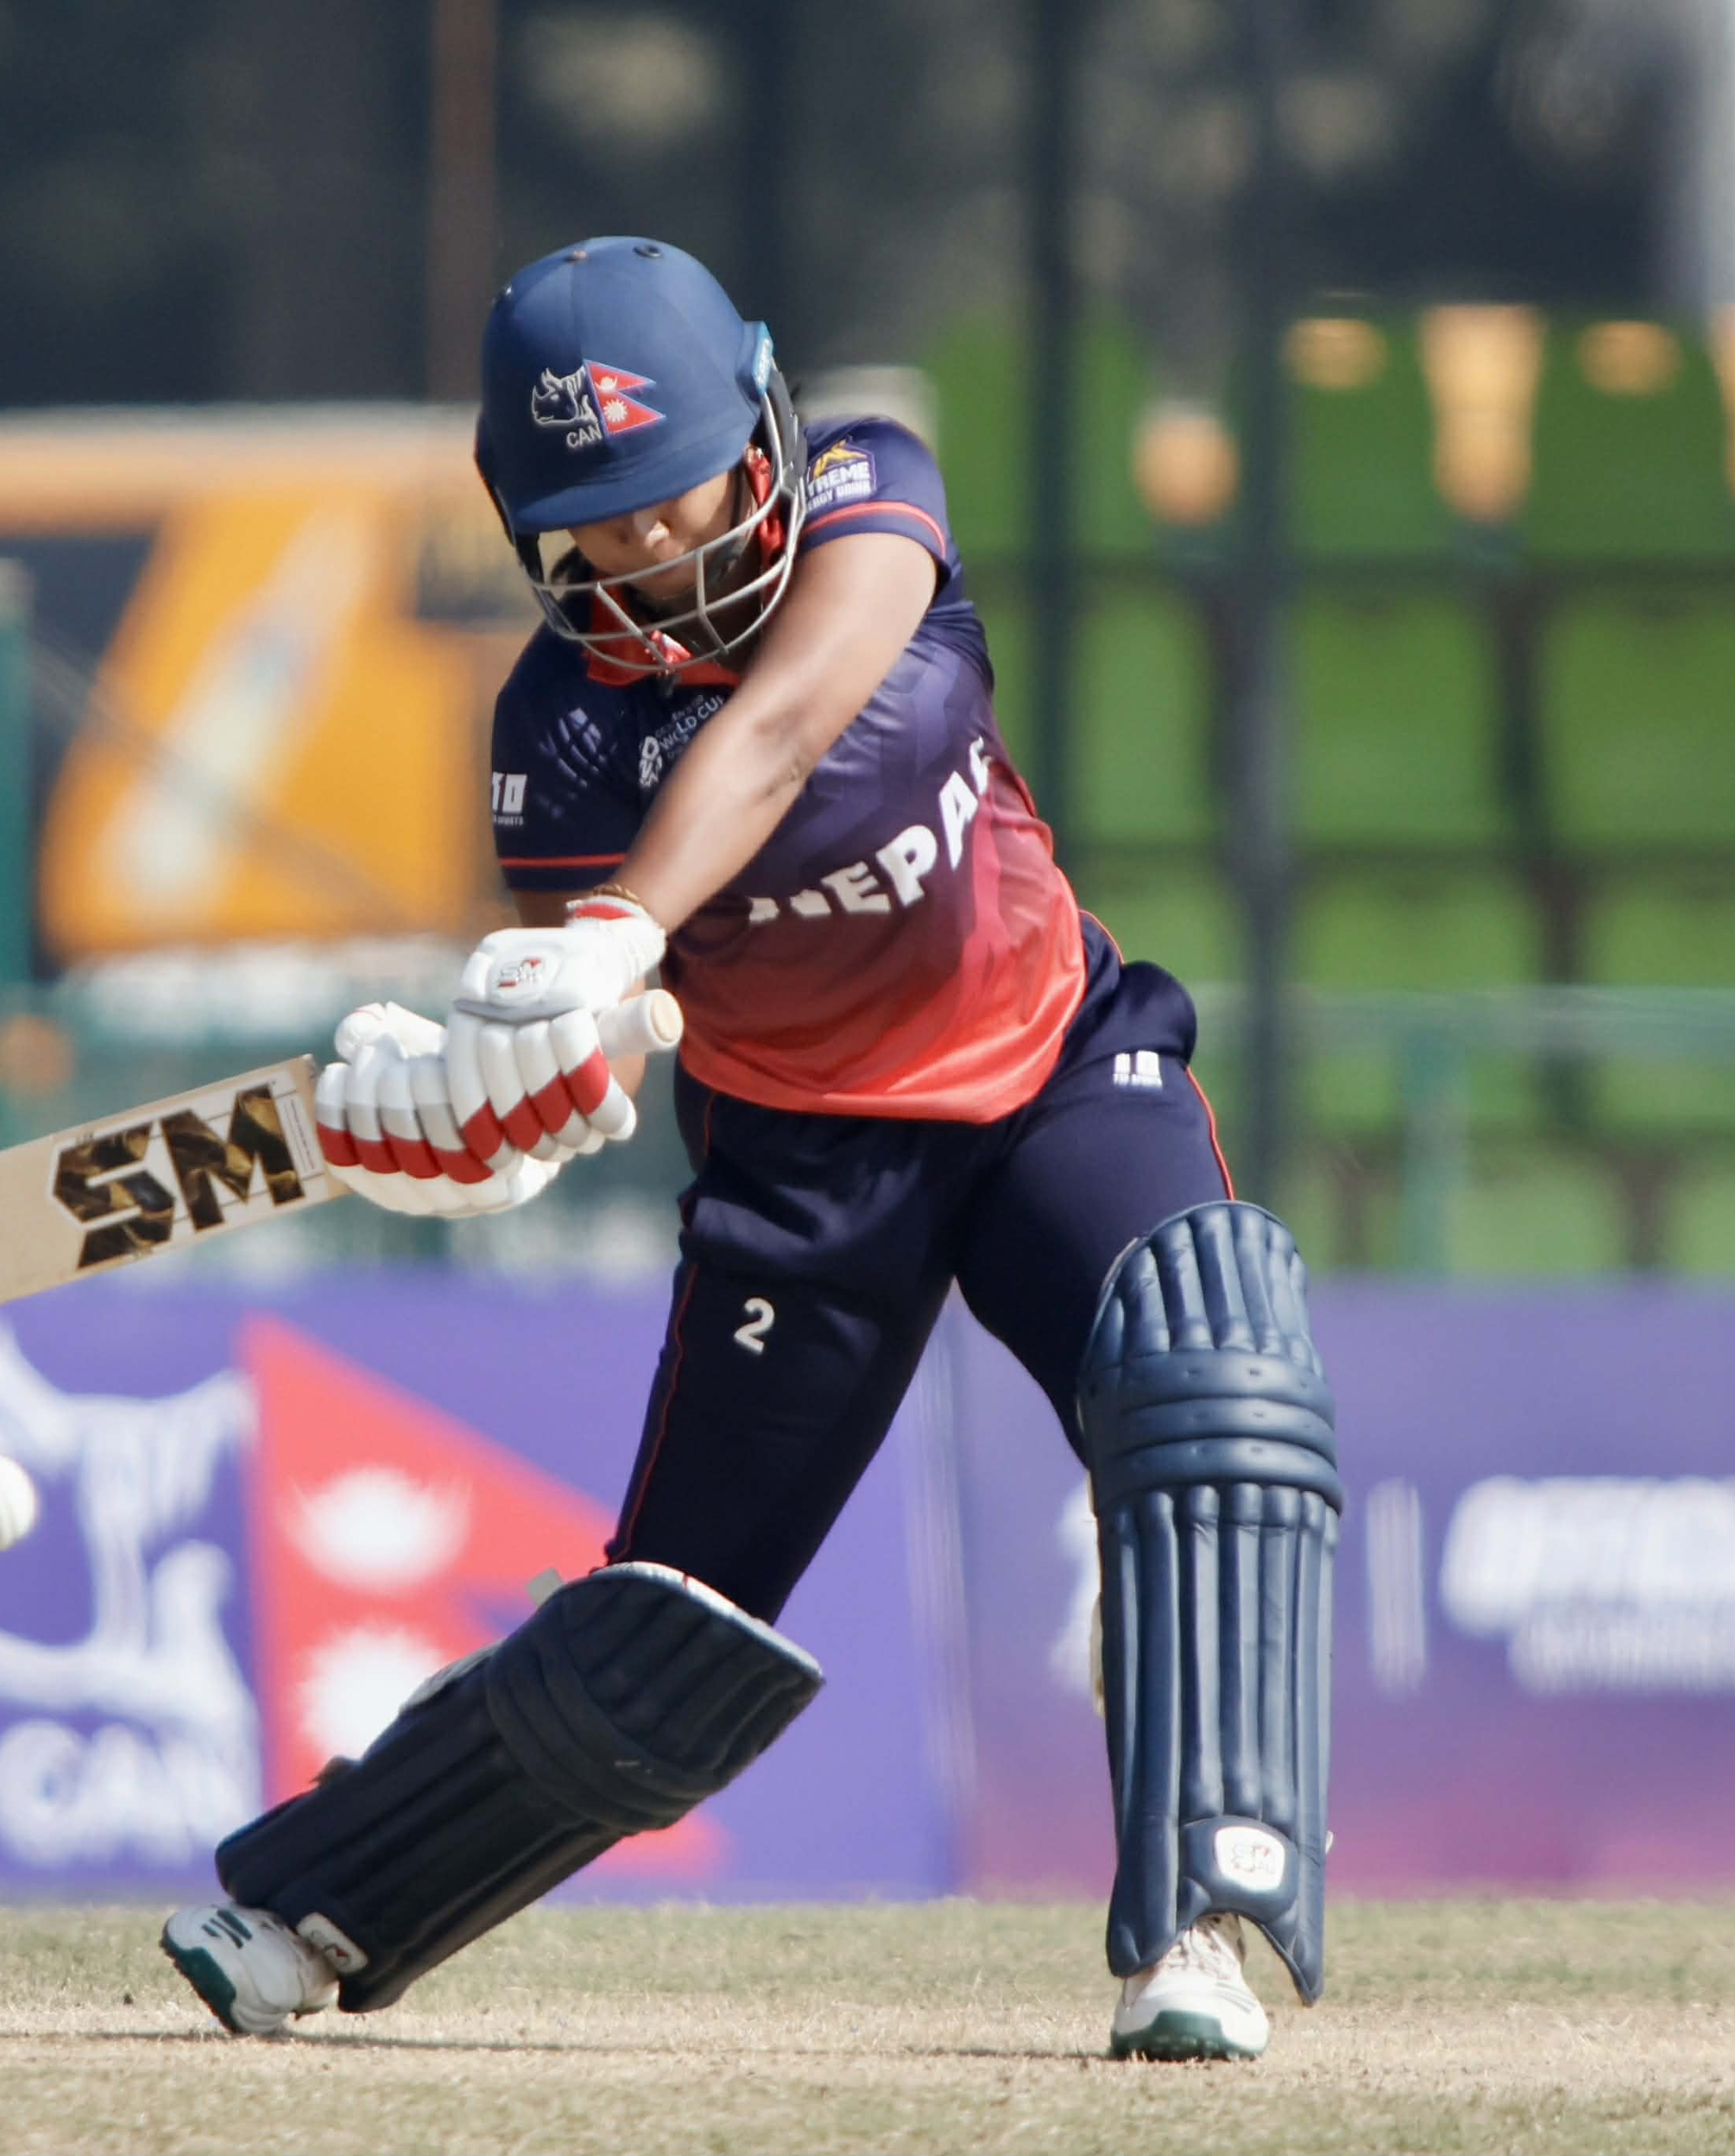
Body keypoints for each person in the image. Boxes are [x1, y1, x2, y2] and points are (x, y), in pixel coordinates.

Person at [160, 239, 1339, 2064]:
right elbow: (597, 1062)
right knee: (664, 1638)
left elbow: (788, 724)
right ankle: (312, 1907)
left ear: (765, 430)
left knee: (1213, 1370)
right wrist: (475, 1102)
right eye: (598, 520)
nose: (649, 550)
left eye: (677, 489)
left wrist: (624, 924)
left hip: (1051, 1075)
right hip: (803, 1179)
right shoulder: (551, 747)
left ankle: (1196, 1928)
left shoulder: (877, 498)